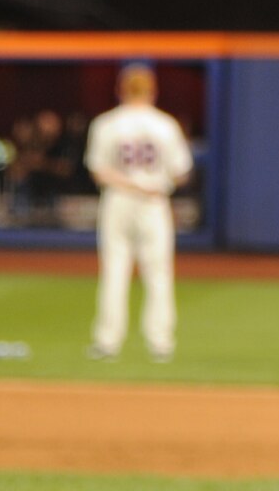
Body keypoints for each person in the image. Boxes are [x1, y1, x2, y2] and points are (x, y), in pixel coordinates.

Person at [85, 63, 194, 363]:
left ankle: (107, 343)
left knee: (114, 271)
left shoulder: (107, 123)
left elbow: (98, 170)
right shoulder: (165, 124)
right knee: (158, 273)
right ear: (152, 90)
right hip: (153, 201)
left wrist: (129, 182)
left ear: (121, 89)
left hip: (118, 200)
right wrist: (155, 183)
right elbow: (181, 172)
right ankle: (160, 344)